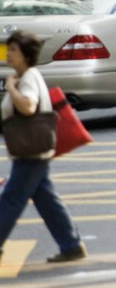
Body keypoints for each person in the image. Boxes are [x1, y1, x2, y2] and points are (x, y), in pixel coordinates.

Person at [0, 31, 86, 264]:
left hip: (31, 150)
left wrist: (11, 89)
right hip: (34, 148)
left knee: (10, 199)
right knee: (46, 200)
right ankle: (71, 245)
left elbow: (28, 107)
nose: (9, 53)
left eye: (14, 50)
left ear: (27, 55)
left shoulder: (27, 77)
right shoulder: (24, 75)